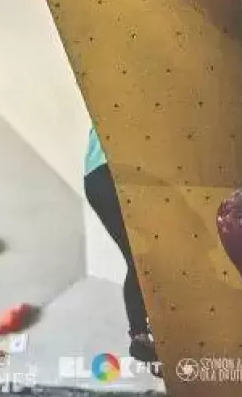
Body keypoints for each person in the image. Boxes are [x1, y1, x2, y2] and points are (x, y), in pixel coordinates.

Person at [83, 127, 157, 362]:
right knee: (141, 259)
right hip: (112, 170)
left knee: (137, 259)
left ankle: (140, 333)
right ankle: (141, 332)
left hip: (97, 177)